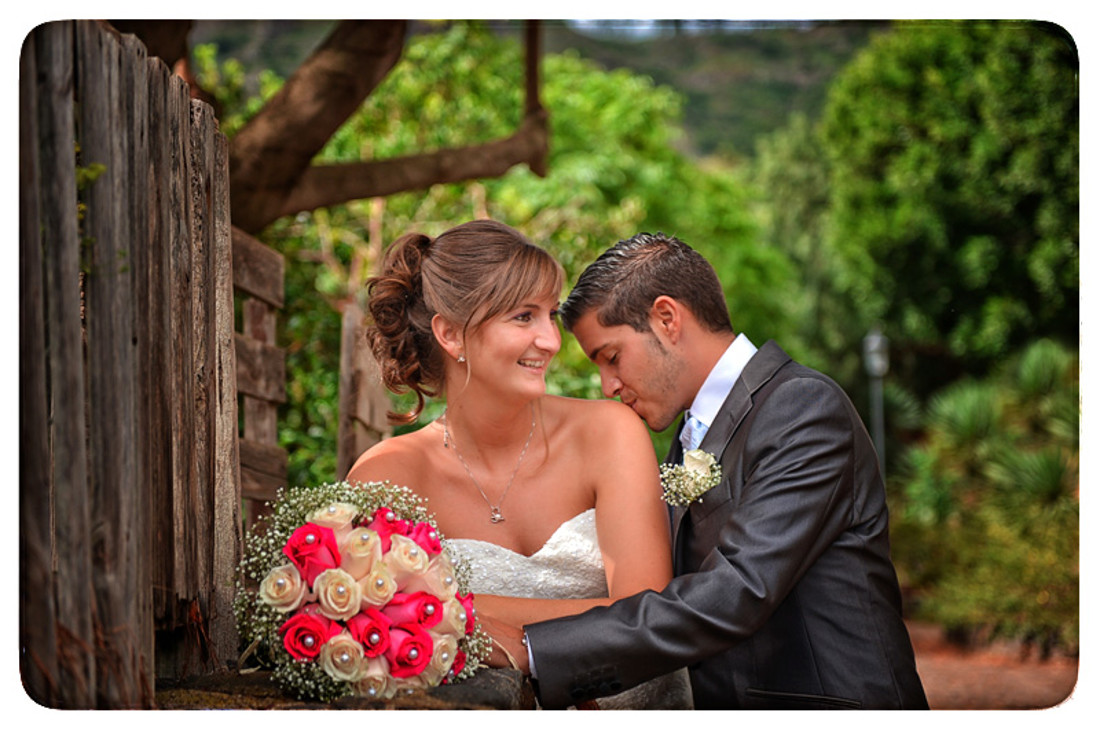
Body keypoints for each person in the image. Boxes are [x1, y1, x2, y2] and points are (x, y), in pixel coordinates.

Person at [488, 231, 928, 710]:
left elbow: (737, 590)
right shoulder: (689, 436)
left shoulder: (802, 408)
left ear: (667, 318)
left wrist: (534, 652)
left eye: (612, 358)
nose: (608, 385)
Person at [345, 220, 693, 709]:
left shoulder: (610, 434)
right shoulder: (389, 476)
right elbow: (371, 622)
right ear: (450, 334)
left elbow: (646, 615)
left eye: (550, 315)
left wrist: (445, 611)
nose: (551, 340)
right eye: (524, 317)